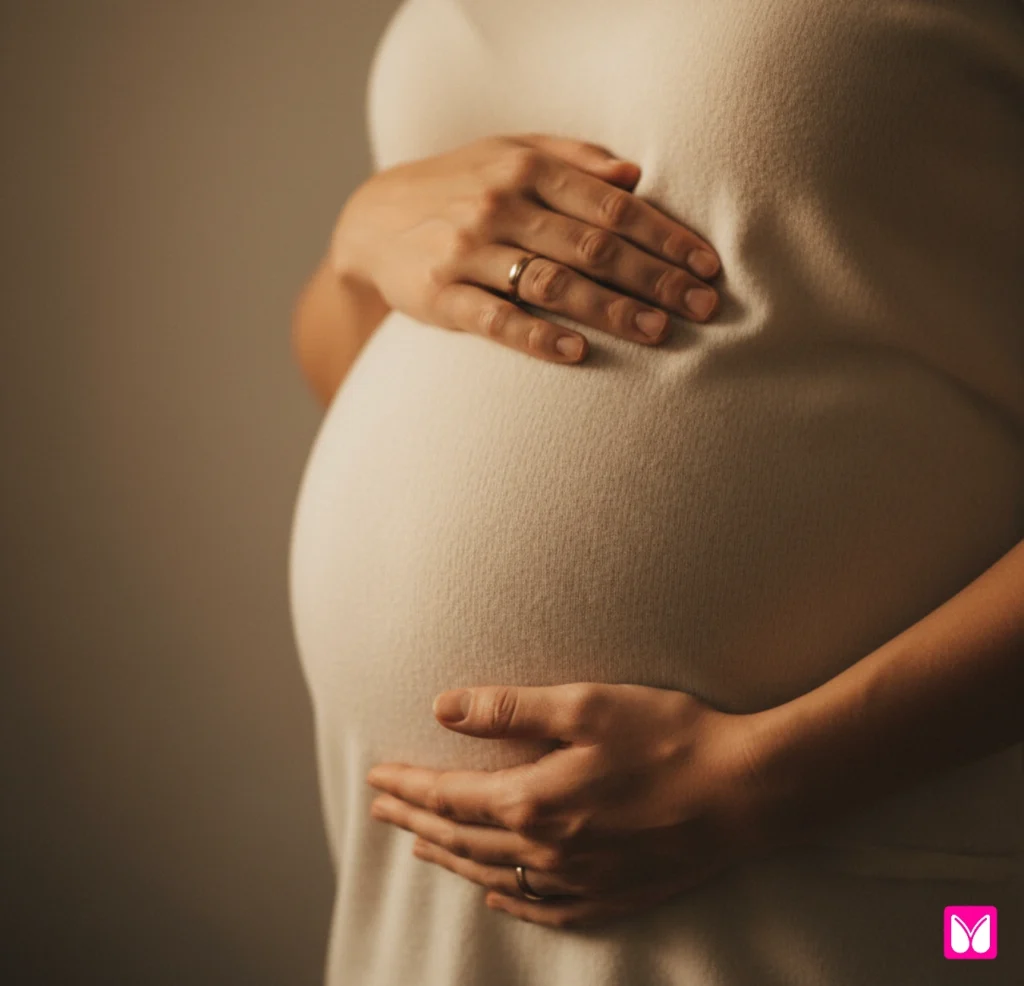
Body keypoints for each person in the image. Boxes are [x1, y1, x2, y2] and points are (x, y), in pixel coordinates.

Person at [288, 0, 1024, 983]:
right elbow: (349, 372)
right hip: (435, 884)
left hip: (834, 831)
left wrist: (764, 779)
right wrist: (358, 247)